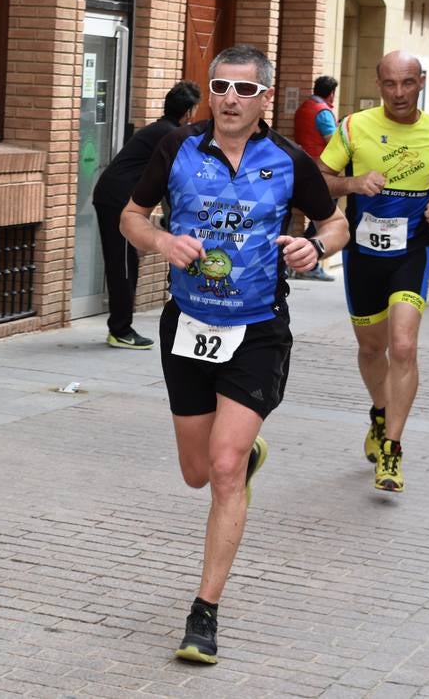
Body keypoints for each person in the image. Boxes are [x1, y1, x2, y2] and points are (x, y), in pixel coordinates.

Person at [120, 45, 348, 665]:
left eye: (244, 90)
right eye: (220, 86)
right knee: (197, 472)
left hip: (258, 331)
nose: (229, 98)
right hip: (188, 326)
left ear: (264, 98)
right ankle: (243, 459)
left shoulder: (290, 160)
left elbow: (336, 224)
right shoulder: (177, 149)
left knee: (222, 468)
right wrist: (162, 239)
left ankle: (204, 613)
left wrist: (314, 247)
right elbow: (130, 217)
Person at [317, 50, 429, 493]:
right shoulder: (353, 126)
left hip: (412, 250)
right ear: (378, 83)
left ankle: (392, 449)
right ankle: (380, 412)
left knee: (403, 346)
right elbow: (318, 176)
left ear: (421, 81)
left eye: (407, 83)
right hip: (363, 254)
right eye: (390, 84)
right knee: (371, 348)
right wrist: (351, 183)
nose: (399, 93)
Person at [92, 80, 200, 349]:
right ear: (188, 112)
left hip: (114, 195)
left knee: (126, 262)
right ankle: (120, 330)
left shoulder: (162, 129)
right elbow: (174, 181)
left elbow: (164, 181)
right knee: (123, 263)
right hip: (117, 200)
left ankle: (121, 326)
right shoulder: (172, 135)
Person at [289, 76, 339, 282]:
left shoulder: (303, 108)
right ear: (331, 93)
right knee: (325, 216)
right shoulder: (323, 112)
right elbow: (334, 142)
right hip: (319, 172)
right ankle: (308, 263)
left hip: (301, 167)